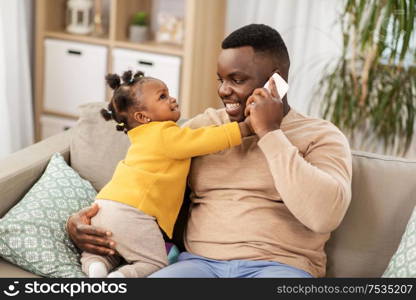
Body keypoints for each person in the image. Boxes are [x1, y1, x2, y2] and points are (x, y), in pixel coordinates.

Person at [67, 24, 352, 278]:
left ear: (275, 81)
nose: (224, 91)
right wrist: (87, 221)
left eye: (236, 80)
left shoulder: (320, 135)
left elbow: (324, 216)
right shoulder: (203, 129)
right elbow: (141, 180)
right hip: (198, 265)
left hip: (280, 267)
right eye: (221, 79)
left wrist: (270, 132)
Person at [80, 70, 252, 278]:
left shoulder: (141, 139)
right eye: (162, 96)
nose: (172, 98)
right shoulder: (164, 134)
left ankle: (95, 266)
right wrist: (244, 128)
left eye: (168, 93)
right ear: (143, 117)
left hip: (103, 206)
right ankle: (122, 277)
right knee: (154, 262)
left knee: (112, 250)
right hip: (132, 212)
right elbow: (204, 139)